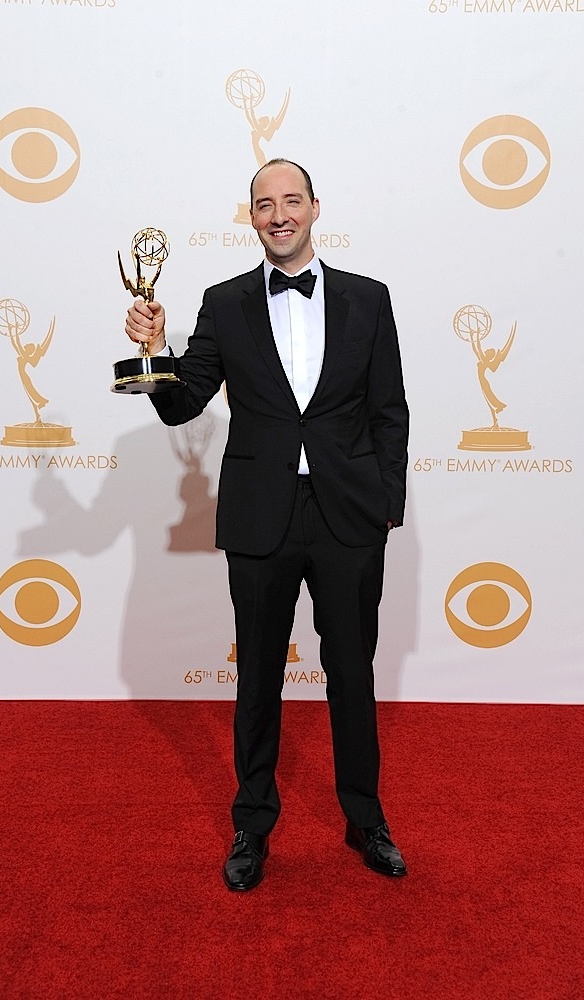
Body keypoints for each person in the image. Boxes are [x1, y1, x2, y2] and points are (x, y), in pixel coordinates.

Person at [125, 158, 410, 891]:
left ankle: (366, 818)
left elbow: (389, 411)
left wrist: (386, 503)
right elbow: (182, 405)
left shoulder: (369, 298)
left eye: (291, 201)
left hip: (348, 516)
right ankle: (252, 825)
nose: (279, 215)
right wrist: (155, 351)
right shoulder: (224, 303)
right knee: (257, 675)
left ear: (315, 207)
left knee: (352, 674)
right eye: (263, 204)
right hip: (260, 517)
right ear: (250, 216)